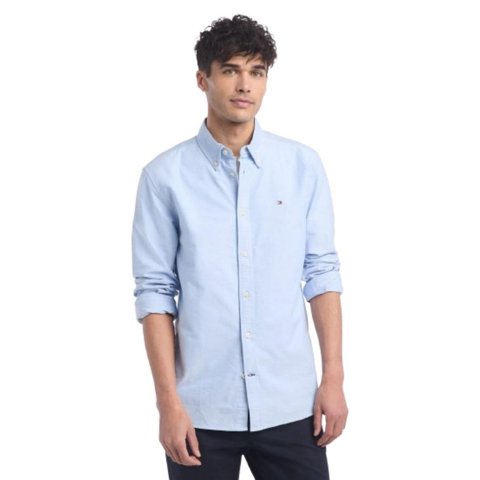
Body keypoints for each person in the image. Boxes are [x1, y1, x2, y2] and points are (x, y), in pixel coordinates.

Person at [131, 14, 348, 480]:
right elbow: (155, 294)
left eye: (257, 72)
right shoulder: (164, 178)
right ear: (202, 79)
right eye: (230, 70)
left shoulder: (302, 166)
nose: (244, 84)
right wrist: (168, 404)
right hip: (201, 410)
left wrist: (333, 378)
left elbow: (321, 273)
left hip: (291, 403)